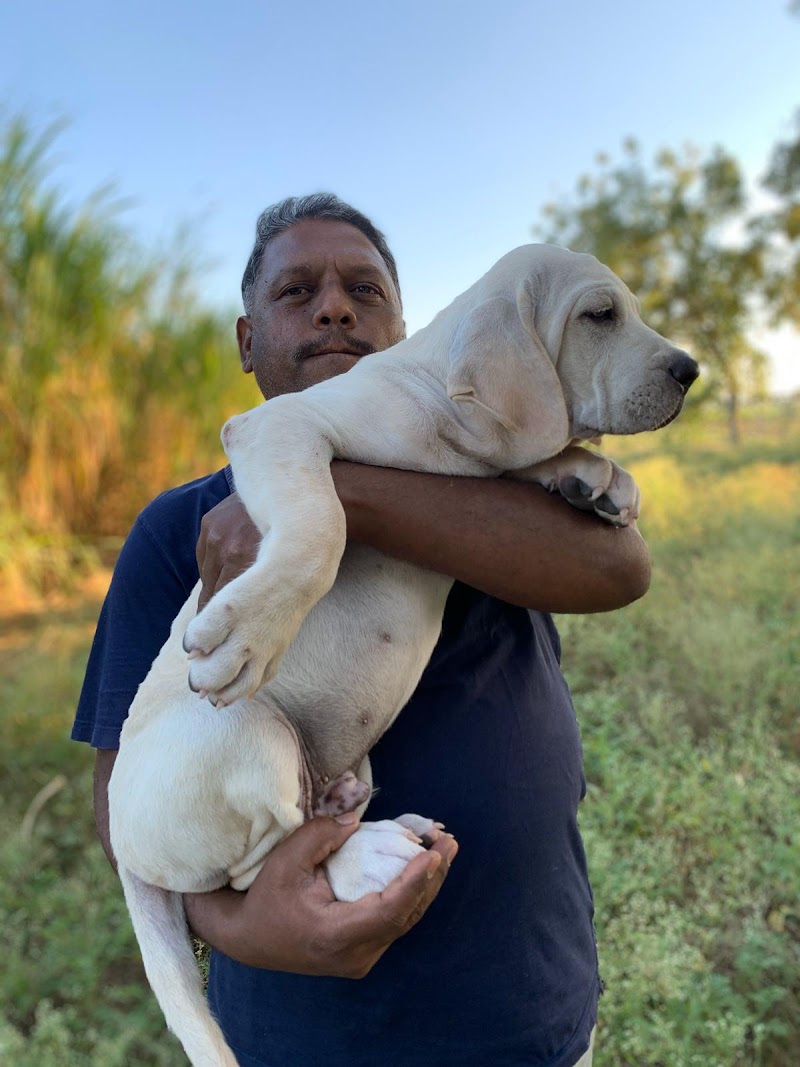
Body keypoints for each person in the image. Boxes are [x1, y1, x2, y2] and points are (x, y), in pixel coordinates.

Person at [73, 193, 651, 1067]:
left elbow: (617, 569)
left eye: (365, 290)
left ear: (405, 330)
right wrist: (242, 923)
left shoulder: (487, 477)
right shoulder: (186, 526)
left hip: (529, 1010)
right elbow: (128, 795)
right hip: (305, 1036)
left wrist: (343, 494)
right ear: (247, 343)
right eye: (296, 291)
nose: (335, 308)